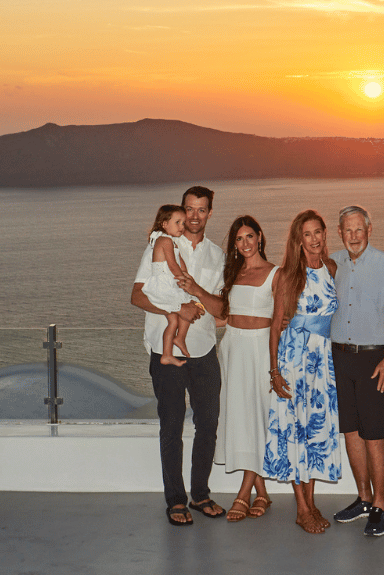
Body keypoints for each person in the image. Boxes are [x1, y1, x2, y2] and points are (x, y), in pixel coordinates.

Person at [131, 186, 225, 526]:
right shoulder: (162, 243)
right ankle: (175, 500)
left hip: (204, 348)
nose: (194, 216)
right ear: (182, 211)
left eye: (201, 209)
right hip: (165, 349)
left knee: (208, 424)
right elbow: (137, 296)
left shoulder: (217, 255)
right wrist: (176, 309)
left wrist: (198, 295)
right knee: (171, 426)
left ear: (210, 212)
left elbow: (221, 309)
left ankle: (200, 494)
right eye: (189, 209)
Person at [330, 205, 384, 537]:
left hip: (374, 360)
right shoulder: (332, 263)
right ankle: (364, 499)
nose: (354, 236)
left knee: (374, 435)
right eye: (347, 230)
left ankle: (380, 505)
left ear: (369, 230)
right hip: (340, 358)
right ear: (340, 232)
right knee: (351, 432)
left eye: (359, 229)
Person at [266, 210, 341, 534]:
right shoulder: (287, 275)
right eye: (307, 234)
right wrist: (275, 371)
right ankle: (301, 508)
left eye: (318, 232)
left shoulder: (332, 268)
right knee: (295, 429)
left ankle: (311, 502)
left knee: (315, 430)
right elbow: (275, 326)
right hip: (294, 360)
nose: (314, 239)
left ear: (325, 234)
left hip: (322, 362)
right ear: (298, 240)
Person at [214, 215, 276, 522]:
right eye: (239, 239)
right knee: (241, 417)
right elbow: (222, 315)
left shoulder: (276, 273)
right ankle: (261, 492)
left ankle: (243, 494)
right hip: (233, 346)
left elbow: (286, 315)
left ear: (260, 236)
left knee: (257, 415)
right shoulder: (231, 273)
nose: (245, 243)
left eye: (249, 236)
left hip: (260, 349)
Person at [141, 204, 196, 367]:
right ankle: (180, 338)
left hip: (166, 283)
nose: (182, 226)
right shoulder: (165, 241)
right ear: (164, 224)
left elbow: (180, 262)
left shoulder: (170, 242)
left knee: (173, 321)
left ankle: (167, 354)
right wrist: (182, 279)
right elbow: (172, 265)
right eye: (177, 222)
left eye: (183, 223)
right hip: (165, 284)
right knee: (189, 304)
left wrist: (186, 274)